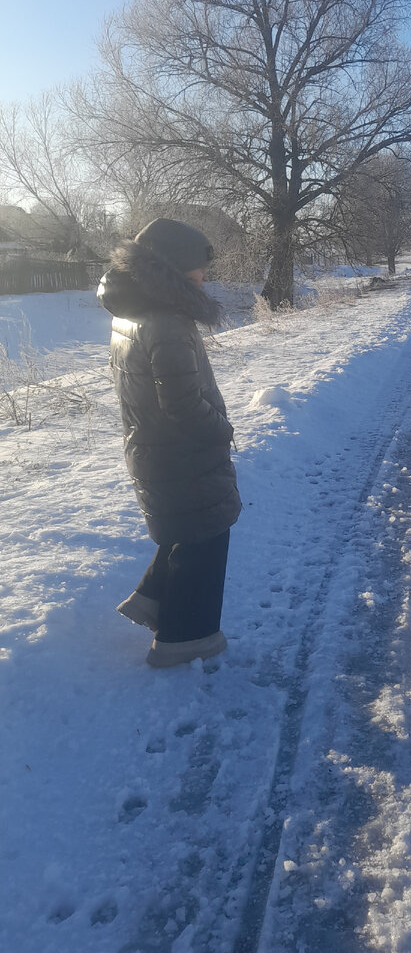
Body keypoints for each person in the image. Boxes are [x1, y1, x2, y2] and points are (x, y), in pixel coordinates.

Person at [98, 218, 241, 667]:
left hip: (153, 449)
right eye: (198, 268)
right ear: (174, 268)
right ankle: (184, 640)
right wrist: (222, 428)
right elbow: (181, 405)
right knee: (206, 537)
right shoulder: (166, 321)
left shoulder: (131, 310)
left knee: (184, 531)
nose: (204, 276)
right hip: (182, 453)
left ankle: (153, 602)